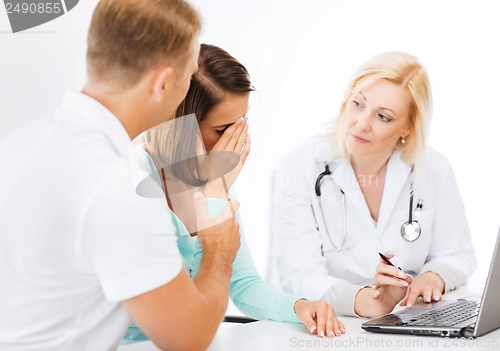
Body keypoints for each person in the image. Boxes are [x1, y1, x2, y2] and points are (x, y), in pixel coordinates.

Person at [0, 1, 245, 350]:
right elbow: (189, 337)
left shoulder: (20, 142)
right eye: (190, 77)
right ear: (163, 83)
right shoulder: (116, 191)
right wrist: (219, 247)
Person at [123, 44, 346, 344]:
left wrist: (298, 307)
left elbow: (242, 283)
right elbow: (176, 312)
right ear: (178, 125)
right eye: (224, 129)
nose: (237, 140)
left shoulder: (211, 175)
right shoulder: (133, 183)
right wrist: (215, 194)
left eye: (243, 123)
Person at [272, 52, 476, 318]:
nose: (362, 123)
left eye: (383, 117)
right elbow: (298, 272)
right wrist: (360, 300)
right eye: (358, 103)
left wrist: (433, 277)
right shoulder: (300, 166)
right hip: (329, 323)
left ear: (408, 128)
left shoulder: (433, 168)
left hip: (408, 319)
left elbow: (458, 254)